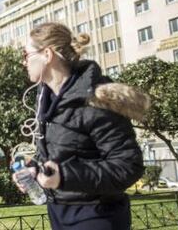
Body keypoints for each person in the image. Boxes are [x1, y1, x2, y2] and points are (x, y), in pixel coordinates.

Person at [13, 22, 149, 230]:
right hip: (59, 213)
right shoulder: (47, 102)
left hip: (98, 215)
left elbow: (128, 165)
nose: (24, 62)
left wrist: (64, 176)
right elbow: (60, 156)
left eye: (26, 54)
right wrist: (34, 170)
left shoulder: (95, 101)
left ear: (47, 55)